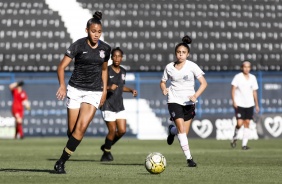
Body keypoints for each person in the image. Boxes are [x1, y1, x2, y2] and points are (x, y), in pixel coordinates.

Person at [53, 11, 111, 174]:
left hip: (93, 92)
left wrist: (104, 91)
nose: (96, 34)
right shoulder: (78, 45)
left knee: (82, 128)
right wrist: (62, 85)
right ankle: (70, 143)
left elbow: (104, 70)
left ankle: (61, 162)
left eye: (99, 32)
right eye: (93, 31)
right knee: (72, 131)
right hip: (75, 89)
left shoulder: (106, 49)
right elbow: (61, 67)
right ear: (87, 30)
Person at [160, 35, 208, 167]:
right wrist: (164, 89)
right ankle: (189, 159)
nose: (181, 55)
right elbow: (163, 82)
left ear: (188, 54)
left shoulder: (192, 66)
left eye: (183, 53)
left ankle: (172, 131)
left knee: (183, 133)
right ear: (175, 53)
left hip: (189, 103)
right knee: (182, 131)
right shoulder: (169, 67)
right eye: (178, 52)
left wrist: (195, 95)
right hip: (174, 100)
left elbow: (203, 83)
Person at [99, 47, 138, 162]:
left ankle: (106, 146)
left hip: (119, 105)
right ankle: (106, 153)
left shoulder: (123, 71)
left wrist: (130, 90)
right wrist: (108, 87)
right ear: (111, 57)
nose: (117, 58)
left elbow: (120, 87)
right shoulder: (106, 70)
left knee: (122, 131)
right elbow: (98, 87)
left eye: (119, 56)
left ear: (122, 58)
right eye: (114, 56)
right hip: (107, 104)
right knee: (112, 130)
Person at [230, 61, 259, 150]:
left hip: (250, 104)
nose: (246, 68)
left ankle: (244, 145)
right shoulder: (238, 77)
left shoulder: (253, 78)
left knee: (247, 123)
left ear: (250, 68)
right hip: (240, 103)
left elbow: (254, 92)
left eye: (248, 67)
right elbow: (233, 90)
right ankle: (235, 136)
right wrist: (234, 101)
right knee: (239, 123)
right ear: (242, 67)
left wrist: (257, 104)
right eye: (245, 67)